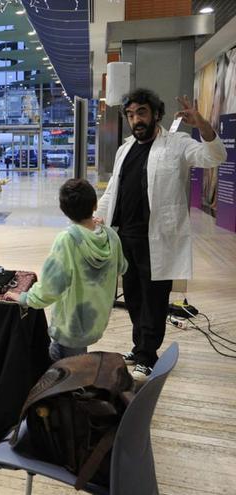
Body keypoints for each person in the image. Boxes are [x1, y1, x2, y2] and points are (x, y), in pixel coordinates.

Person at [96, 89, 226, 380]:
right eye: (130, 115)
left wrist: (201, 123)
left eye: (141, 112)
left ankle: (147, 355)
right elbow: (112, 191)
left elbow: (216, 155)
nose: (136, 120)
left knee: (154, 300)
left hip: (158, 239)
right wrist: (97, 218)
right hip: (125, 237)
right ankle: (139, 346)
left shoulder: (177, 143)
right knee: (132, 298)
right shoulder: (125, 148)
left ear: (156, 114)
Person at [4, 179, 128, 361]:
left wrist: (24, 298)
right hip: (96, 319)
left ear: (64, 210)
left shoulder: (67, 240)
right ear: (95, 205)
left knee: (67, 373)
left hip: (70, 325)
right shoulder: (110, 235)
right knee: (71, 362)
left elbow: (49, 288)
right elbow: (122, 267)